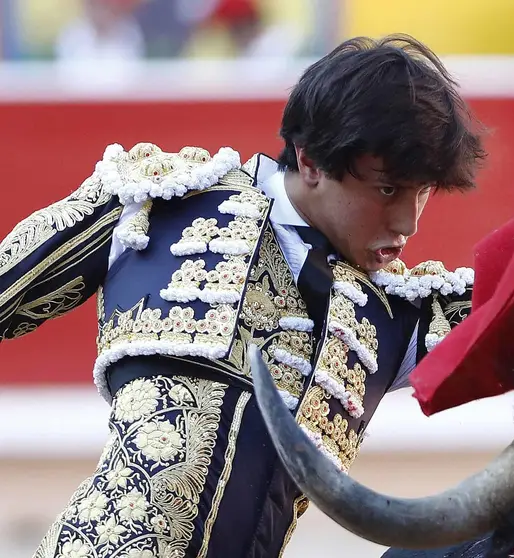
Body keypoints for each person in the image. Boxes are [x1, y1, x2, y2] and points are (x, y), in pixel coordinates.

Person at [11, 34, 485, 558]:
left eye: (424, 192)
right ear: (311, 162)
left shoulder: (393, 316)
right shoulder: (162, 202)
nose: (409, 222)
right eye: (388, 189)